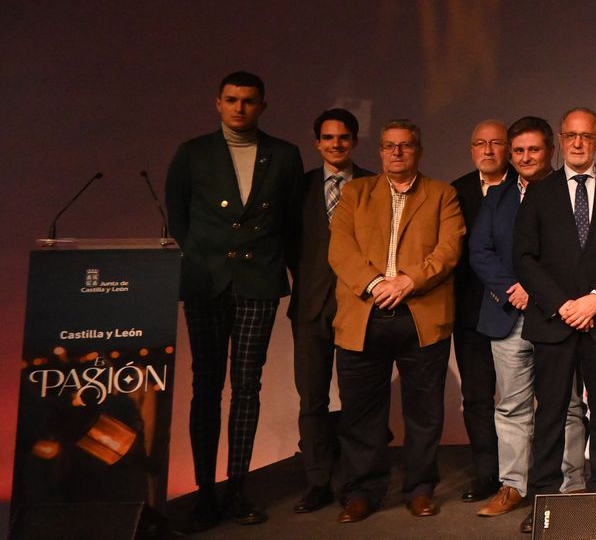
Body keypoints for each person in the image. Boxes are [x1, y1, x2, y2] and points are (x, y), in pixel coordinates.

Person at [165, 70, 305, 530]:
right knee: (206, 386)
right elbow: (178, 218)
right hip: (206, 283)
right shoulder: (193, 153)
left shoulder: (283, 155)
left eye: (248, 101)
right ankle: (205, 493)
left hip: (258, 282)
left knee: (247, 386)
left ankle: (238, 488)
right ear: (218, 103)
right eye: (231, 99)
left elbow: (290, 222)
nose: (239, 108)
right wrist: (199, 260)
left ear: (262, 106)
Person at [327, 119, 464, 522]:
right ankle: (361, 492)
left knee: (424, 412)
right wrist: (374, 284)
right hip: (363, 314)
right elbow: (340, 249)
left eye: (405, 146)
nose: (397, 152)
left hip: (420, 315)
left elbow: (448, 250)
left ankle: (420, 489)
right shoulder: (355, 192)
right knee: (361, 412)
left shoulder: (442, 194)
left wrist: (408, 281)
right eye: (389, 146)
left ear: (418, 150)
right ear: (380, 152)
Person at [514, 107, 596, 532]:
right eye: (570, 136)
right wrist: (563, 304)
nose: (578, 143)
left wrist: (595, 300)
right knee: (549, 415)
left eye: (587, 136)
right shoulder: (538, 192)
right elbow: (524, 258)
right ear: (561, 141)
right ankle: (543, 503)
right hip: (554, 322)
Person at [467, 116, 556, 517]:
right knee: (511, 406)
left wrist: (535, 290)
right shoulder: (497, 197)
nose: (525, 157)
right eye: (518, 150)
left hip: (555, 315)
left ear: (549, 150)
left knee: (566, 405)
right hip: (508, 314)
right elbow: (480, 251)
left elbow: (573, 255)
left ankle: (566, 487)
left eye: (533, 149)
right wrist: (511, 289)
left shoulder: (566, 193)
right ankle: (514, 486)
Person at [286, 109, 373, 515]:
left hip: (360, 305)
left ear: (354, 141)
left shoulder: (374, 184)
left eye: (343, 137)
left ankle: (357, 483)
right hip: (310, 307)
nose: (335, 144)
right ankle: (318, 481)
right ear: (317, 143)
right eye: (328, 138)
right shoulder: (298, 188)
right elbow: (288, 245)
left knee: (359, 399)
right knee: (312, 398)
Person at [451, 119, 510, 502]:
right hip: (471, 312)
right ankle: (487, 472)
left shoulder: (527, 187)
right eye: (480, 144)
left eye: (496, 143)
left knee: (521, 398)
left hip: (519, 308)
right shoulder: (454, 192)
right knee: (476, 396)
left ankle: (522, 472)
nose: (487, 151)